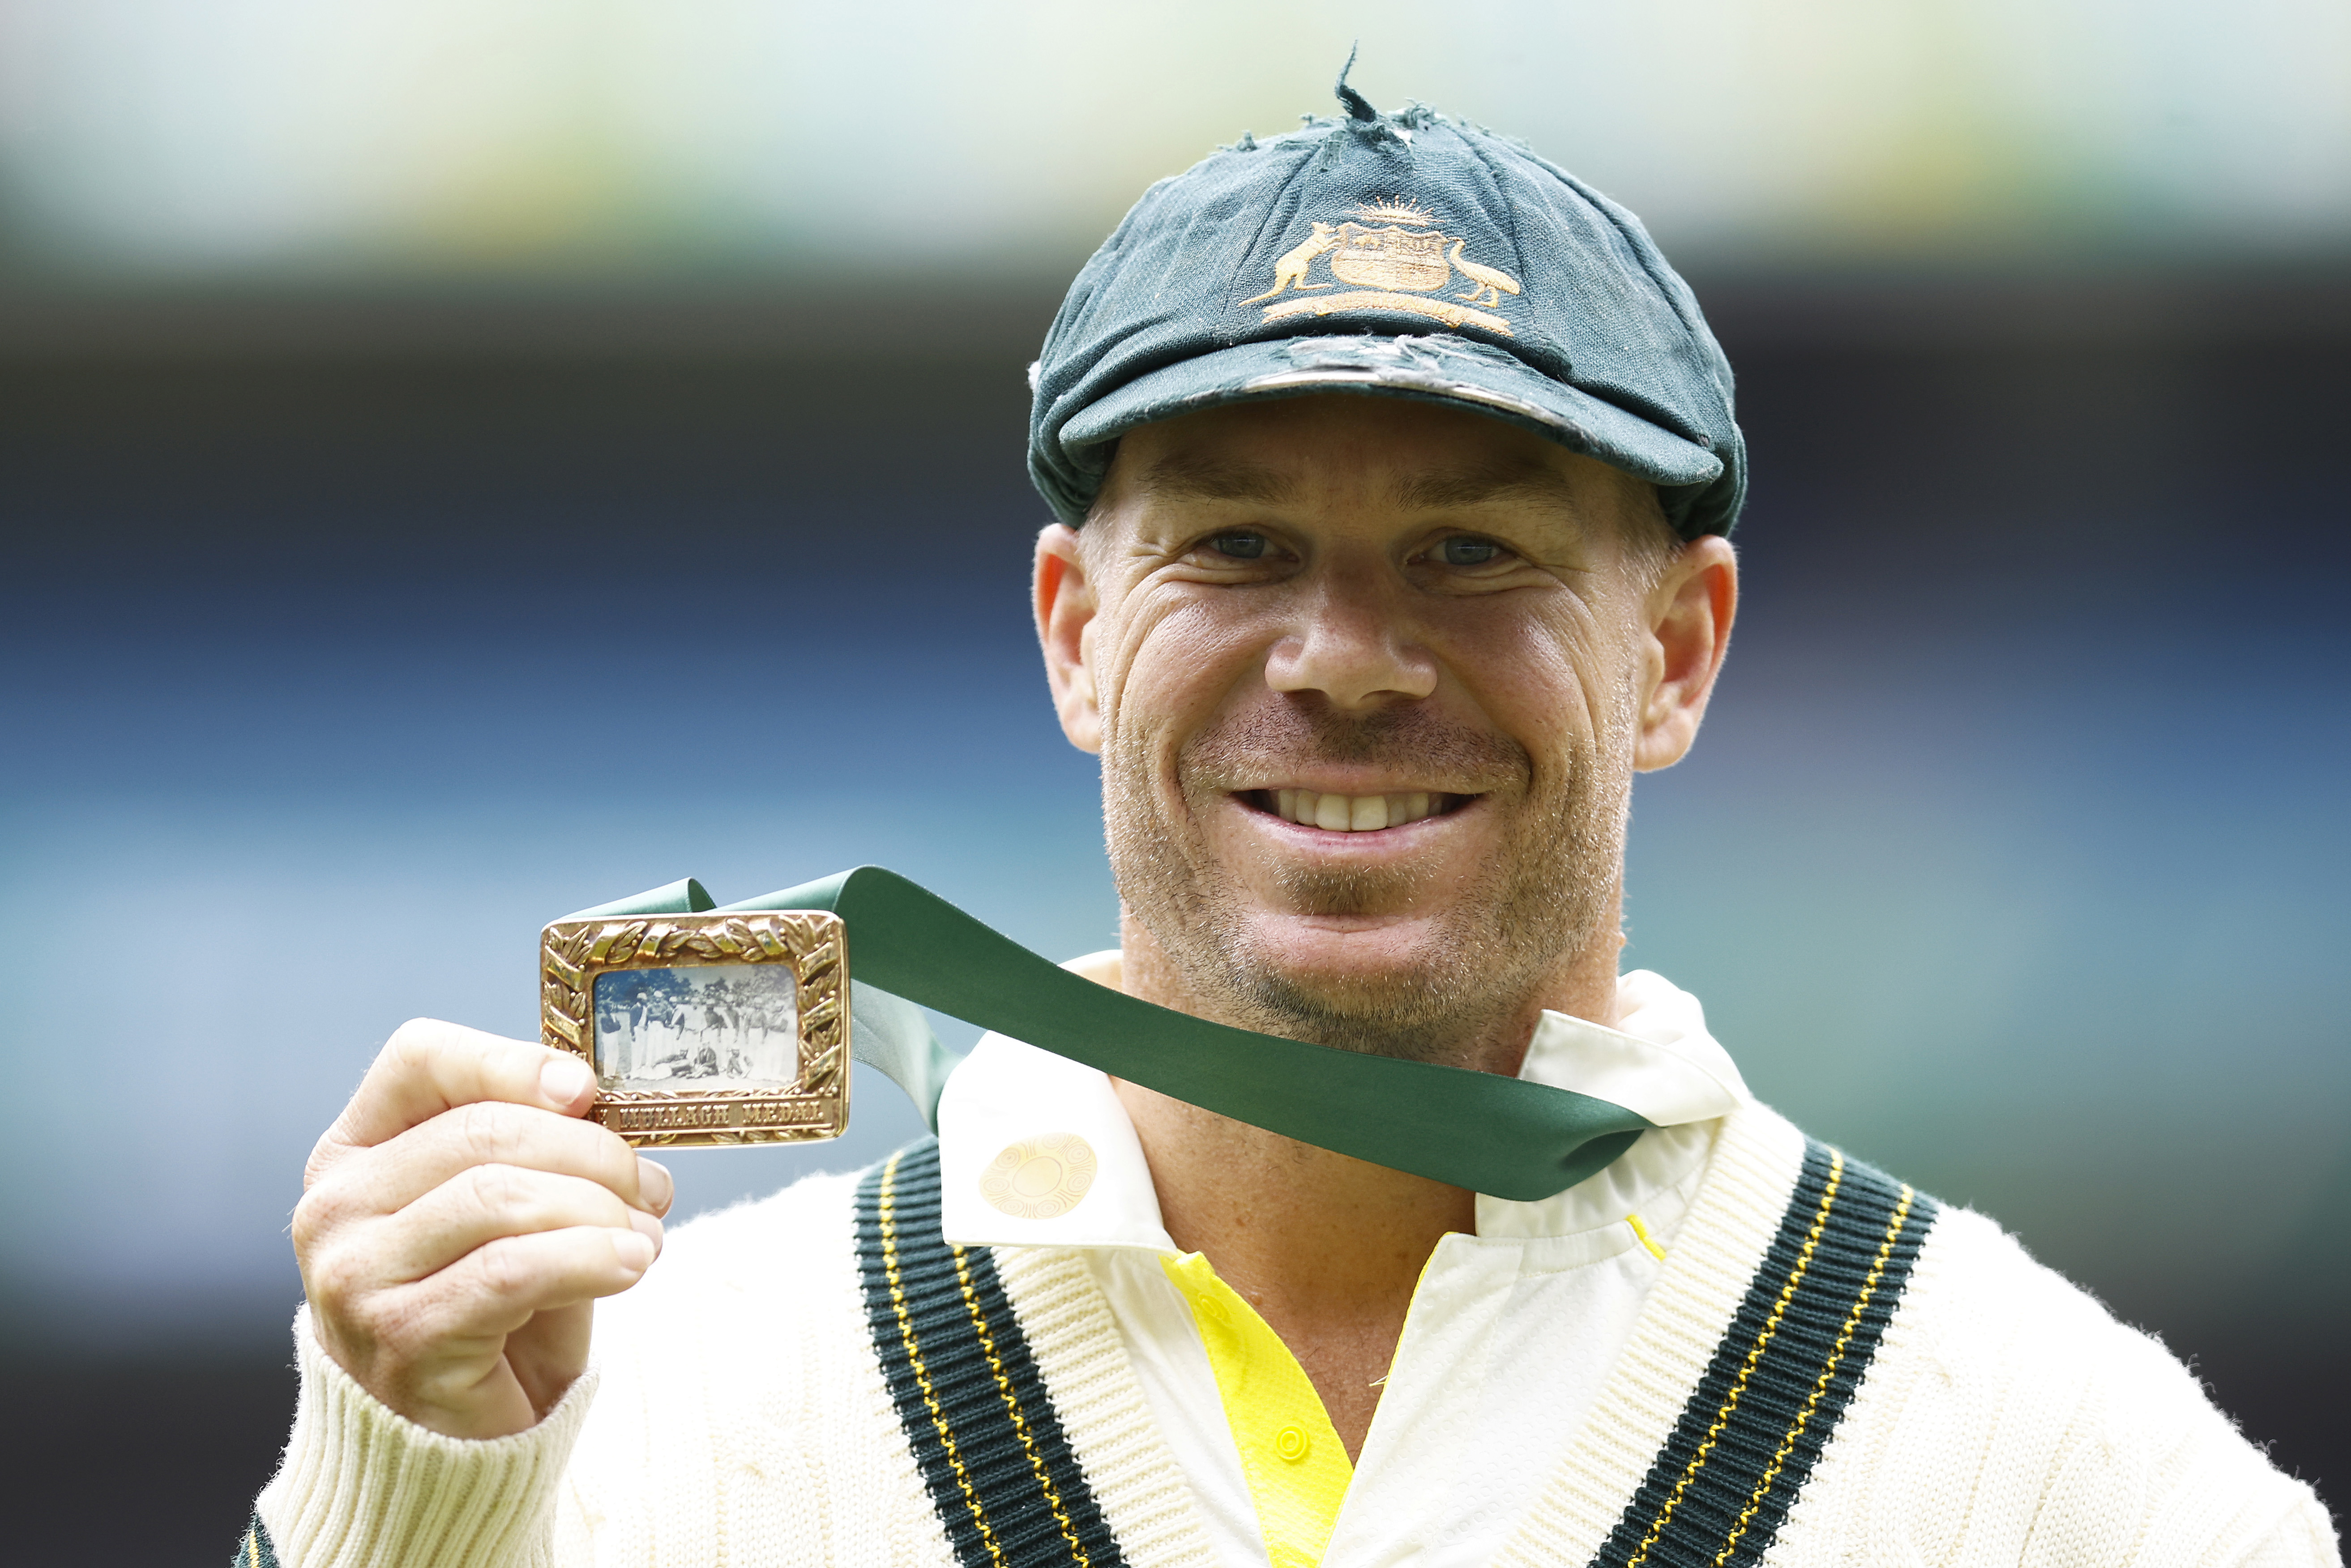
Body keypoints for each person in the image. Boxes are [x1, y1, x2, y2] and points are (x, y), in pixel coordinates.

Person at [243, 75, 2341, 1568]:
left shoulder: (2052, 1476)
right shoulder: (632, 1430)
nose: (1340, 658)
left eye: (1470, 553)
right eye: (1238, 547)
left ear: (1675, 655)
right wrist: (405, 1506)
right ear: (1076, 636)